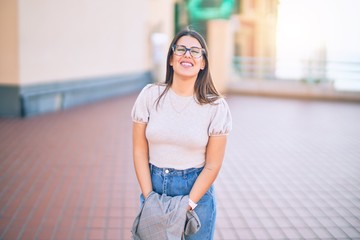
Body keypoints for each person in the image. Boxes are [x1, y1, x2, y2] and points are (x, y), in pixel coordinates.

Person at [131, 27, 232, 239]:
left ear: (203, 63)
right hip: (154, 188)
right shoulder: (149, 96)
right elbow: (140, 151)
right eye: (181, 49)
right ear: (171, 59)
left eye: (196, 51)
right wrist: (149, 196)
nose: (187, 54)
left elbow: (213, 164)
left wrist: (189, 203)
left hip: (196, 193)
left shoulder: (216, 106)